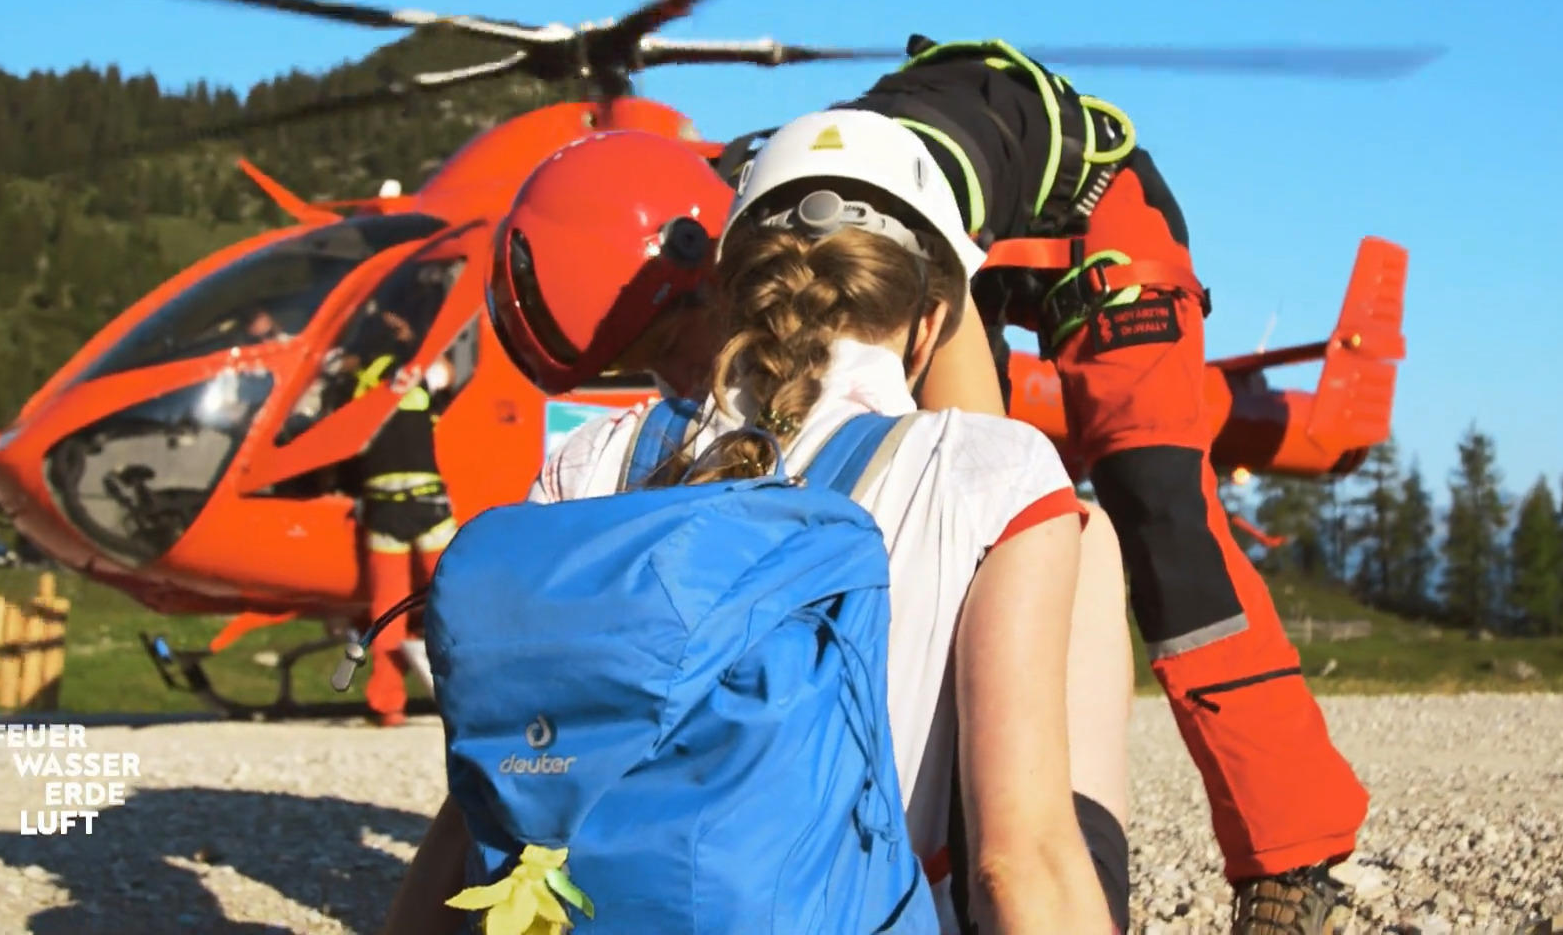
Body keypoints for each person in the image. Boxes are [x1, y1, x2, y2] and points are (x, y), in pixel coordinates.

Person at [392, 116, 1129, 935]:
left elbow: (484, 800)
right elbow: (1015, 863)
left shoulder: (590, 459)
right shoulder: (992, 470)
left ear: (728, 287)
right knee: (1092, 544)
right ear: (931, 322)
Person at [804, 41, 1368, 932]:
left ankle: (1290, 857)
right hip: (961, 242)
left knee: (1155, 508)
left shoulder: (897, 206)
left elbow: (975, 471)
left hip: (1101, 219)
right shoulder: (791, 204)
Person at [341, 309, 456, 727]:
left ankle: (387, 704)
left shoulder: (361, 383)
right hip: (428, 505)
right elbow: (448, 372)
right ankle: (479, 696)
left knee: (386, 611)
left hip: (383, 509)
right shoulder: (420, 373)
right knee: (455, 599)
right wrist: (419, 337)